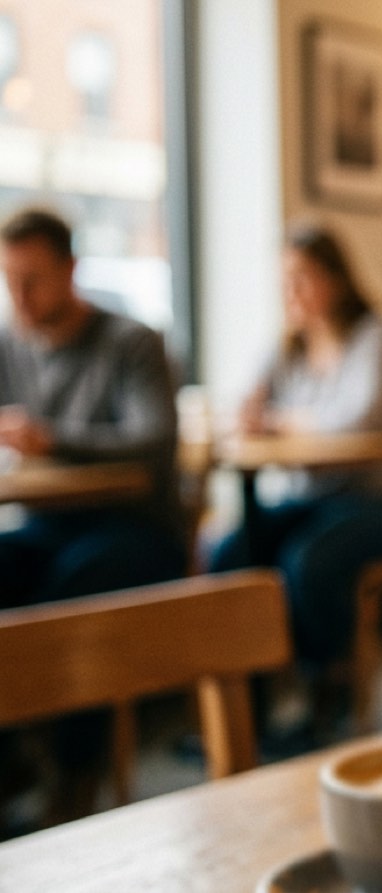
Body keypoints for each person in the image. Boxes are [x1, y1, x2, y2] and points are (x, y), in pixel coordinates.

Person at [0, 207, 185, 827]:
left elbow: (153, 439)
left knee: (66, 600)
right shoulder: (9, 343)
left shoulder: (131, 342)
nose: (19, 297)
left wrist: (52, 439)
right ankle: (10, 762)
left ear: (71, 270)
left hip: (137, 528)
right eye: (9, 280)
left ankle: (79, 772)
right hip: (47, 524)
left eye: (33, 280)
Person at [209, 225, 382, 678]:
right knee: (229, 552)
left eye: (302, 278)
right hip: (317, 499)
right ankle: (246, 697)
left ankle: (326, 686)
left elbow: (359, 422)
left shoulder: (377, 337)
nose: (291, 292)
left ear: (336, 279)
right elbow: (247, 409)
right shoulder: (288, 346)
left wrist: (278, 420)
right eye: (284, 281)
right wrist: (253, 412)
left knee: (309, 560)